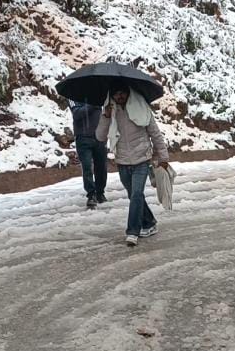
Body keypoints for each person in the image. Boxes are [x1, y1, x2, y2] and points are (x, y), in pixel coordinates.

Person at [96, 85, 169, 247]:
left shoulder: (141, 109)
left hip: (142, 160)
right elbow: (100, 137)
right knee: (134, 195)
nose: (119, 96)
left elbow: (155, 134)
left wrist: (163, 157)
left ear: (129, 93)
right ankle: (149, 222)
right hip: (122, 161)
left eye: (122, 92)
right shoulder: (110, 111)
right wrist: (106, 116)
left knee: (136, 194)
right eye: (116, 93)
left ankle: (132, 232)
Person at [69, 100, 107, 208]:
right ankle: (91, 194)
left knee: (101, 167)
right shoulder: (72, 95)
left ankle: (100, 192)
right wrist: (92, 105)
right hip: (82, 137)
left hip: (99, 135)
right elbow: (76, 114)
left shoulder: (97, 93)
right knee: (87, 166)